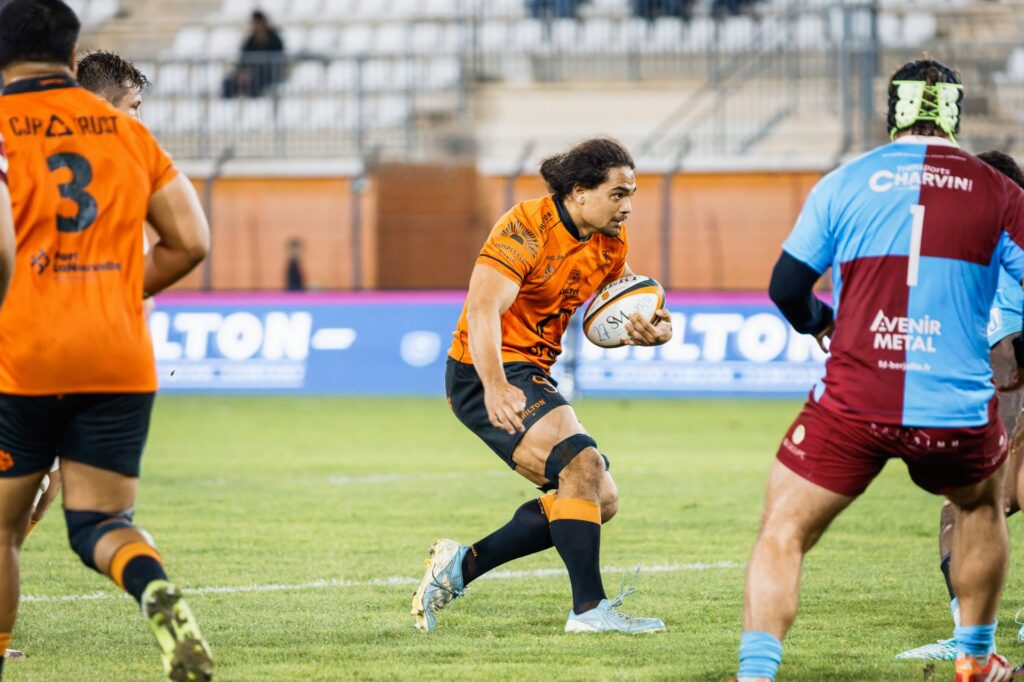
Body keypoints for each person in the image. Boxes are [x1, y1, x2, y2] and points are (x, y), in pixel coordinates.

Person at [732, 59, 1024, 682]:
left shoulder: (844, 182)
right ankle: (976, 659)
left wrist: (822, 323)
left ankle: (756, 674)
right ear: (954, 112)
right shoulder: (1000, 193)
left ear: (892, 111)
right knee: (980, 508)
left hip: (853, 399)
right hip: (954, 405)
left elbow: (786, 288)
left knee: (783, 530)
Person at [0, 1, 212, 680]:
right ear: (72, 55)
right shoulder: (128, 134)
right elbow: (191, 242)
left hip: (26, 353)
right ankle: (155, 590)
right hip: (119, 353)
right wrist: (117, 291)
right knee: (99, 523)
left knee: (2, 531)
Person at [411, 137, 672, 634]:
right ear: (579, 192)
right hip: (483, 370)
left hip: (531, 372)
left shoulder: (609, 243)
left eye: (631, 195)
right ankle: (589, 611)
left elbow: (613, 311)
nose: (627, 207)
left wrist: (651, 330)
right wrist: (494, 385)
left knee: (600, 498)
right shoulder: (526, 227)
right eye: (618, 194)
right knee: (582, 463)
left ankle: (461, 566)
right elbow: (482, 309)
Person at [895, 150, 1024, 662]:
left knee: (968, 504)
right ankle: (972, 634)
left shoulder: (995, 236)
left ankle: (969, 638)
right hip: (993, 370)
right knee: (992, 499)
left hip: (1005, 368)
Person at [221, 10, 285, 98]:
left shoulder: (275, 40)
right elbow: (242, 60)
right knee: (229, 83)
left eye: (258, 23)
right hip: (250, 74)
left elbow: (277, 60)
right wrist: (241, 73)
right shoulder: (250, 41)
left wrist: (252, 73)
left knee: (253, 84)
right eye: (254, 23)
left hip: (268, 75)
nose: (256, 26)